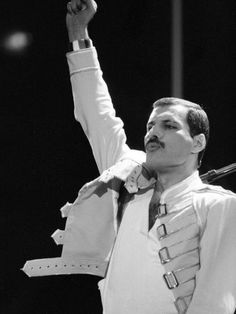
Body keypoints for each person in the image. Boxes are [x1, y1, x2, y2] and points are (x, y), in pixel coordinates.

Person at [23, 0, 236, 313]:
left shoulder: (219, 206)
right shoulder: (125, 181)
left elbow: (216, 299)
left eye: (168, 126)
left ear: (197, 142)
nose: (153, 133)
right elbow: (97, 115)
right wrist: (78, 33)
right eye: (150, 126)